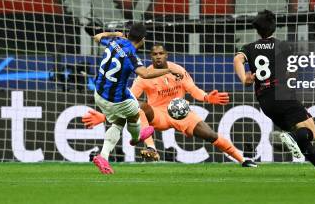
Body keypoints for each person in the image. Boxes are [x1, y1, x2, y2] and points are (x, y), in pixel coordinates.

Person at [82, 44, 257, 167]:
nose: (158, 56)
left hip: (182, 113)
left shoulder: (178, 70)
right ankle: (151, 148)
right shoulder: (144, 75)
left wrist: (206, 98)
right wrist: (104, 116)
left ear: (166, 55)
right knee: (140, 106)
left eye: (161, 53)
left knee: (211, 135)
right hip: (158, 115)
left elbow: (192, 89)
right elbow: (127, 102)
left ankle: (243, 160)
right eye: (154, 54)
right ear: (151, 57)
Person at [233, 10, 315, 177]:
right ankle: (292, 137)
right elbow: (292, 71)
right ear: (274, 28)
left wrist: (245, 78)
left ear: (257, 29)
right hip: (282, 94)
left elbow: (237, 59)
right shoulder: (282, 45)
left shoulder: (249, 48)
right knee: (311, 133)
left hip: (265, 101)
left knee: (301, 136)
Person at [88, 23, 185, 174]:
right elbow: (145, 74)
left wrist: (112, 34)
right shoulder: (131, 55)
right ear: (143, 39)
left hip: (99, 93)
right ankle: (136, 137)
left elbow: (97, 37)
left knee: (120, 121)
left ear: (127, 34)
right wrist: (169, 70)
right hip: (116, 99)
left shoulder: (115, 42)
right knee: (135, 113)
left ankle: (103, 156)